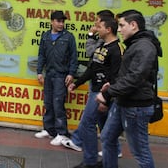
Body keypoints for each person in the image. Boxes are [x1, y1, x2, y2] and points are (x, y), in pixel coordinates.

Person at [96, 9, 162, 168]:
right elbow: (129, 73)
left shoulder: (144, 46)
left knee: (140, 151)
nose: (118, 30)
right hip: (123, 102)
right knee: (107, 137)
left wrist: (108, 93)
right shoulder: (136, 44)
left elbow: (136, 77)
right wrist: (113, 85)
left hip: (136, 107)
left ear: (133, 25)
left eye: (122, 25)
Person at [65, 16, 123, 168]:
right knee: (105, 131)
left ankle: (90, 161)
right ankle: (103, 162)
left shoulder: (117, 50)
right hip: (95, 92)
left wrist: (106, 99)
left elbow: (116, 78)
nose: (96, 29)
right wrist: (76, 84)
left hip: (102, 96)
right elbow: (92, 69)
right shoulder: (102, 46)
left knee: (87, 124)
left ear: (108, 29)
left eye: (100, 26)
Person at [35, 10, 78, 146]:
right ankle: (49, 129)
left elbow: (73, 58)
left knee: (58, 104)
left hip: (61, 76)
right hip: (49, 75)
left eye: (62, 21)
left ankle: (62, 133)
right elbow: (41, 55)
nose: (61, 24)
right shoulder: (46, 36)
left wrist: (71, 73)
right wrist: (39, 72)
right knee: (48, 103)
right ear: (52, 22)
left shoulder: (68, 37)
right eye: (58, 21)